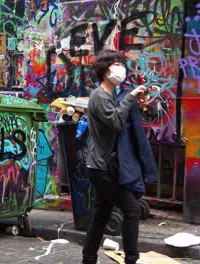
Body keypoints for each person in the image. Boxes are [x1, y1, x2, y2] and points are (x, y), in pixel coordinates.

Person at [82, 50, 148, 264]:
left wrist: (133, 101)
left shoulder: (108, 95)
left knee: (102, 214)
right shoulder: (100, 96)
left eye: (121, 63)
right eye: (116, 64)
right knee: (131, 209)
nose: (121, 68)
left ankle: (88, 258)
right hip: (101, 167)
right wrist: (130, 97)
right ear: (104, 69)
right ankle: (131, 258)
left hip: (101, 165)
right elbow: (116, 122)